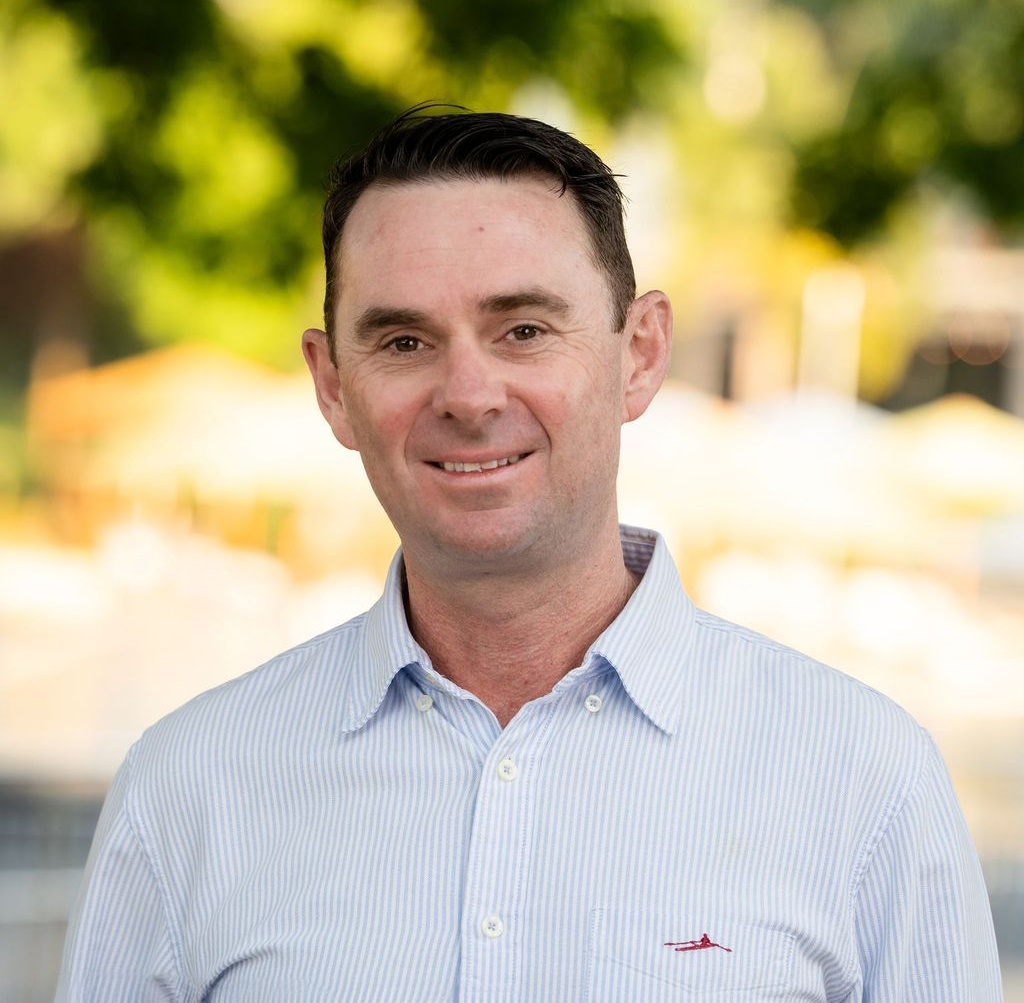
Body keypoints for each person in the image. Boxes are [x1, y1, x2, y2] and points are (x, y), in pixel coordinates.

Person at [56, 107, 1003, 1002]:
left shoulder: (864, 780)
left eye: (524, 330)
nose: (468, 392)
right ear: (333, 386)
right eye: (403, 339)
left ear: (640, 353)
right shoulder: (187, 790)